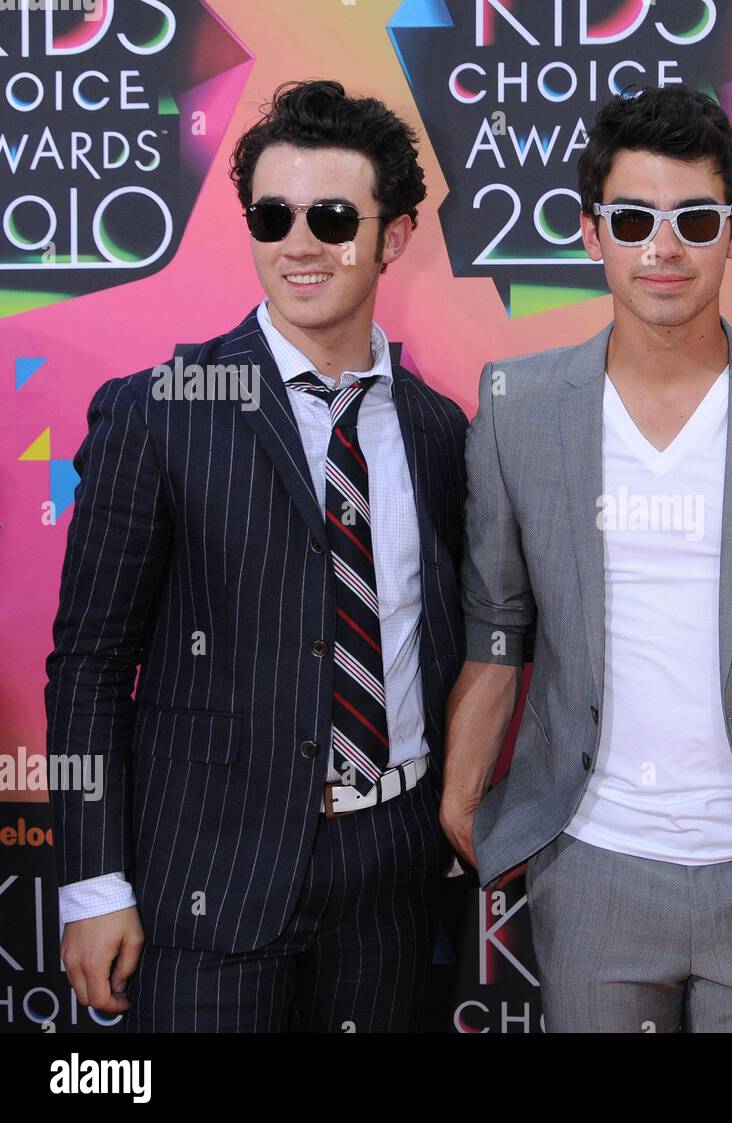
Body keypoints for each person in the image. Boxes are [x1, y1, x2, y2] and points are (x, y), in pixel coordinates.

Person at [441, 85, 732, 1033]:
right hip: (592, 866)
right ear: (590, 233)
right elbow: (497, 631)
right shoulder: (519, 409)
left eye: (695, 219)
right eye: (634, 219)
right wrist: (462, 792)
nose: (665, 247)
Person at [47, 80, 467, 1031]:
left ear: (395, 236)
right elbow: (88, 666)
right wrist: (89, 880)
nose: (299, 243)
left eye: (330, 215)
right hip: (207, 869)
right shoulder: (160, 410)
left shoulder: (440, 430)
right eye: (272, 216)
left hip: (392, 874)